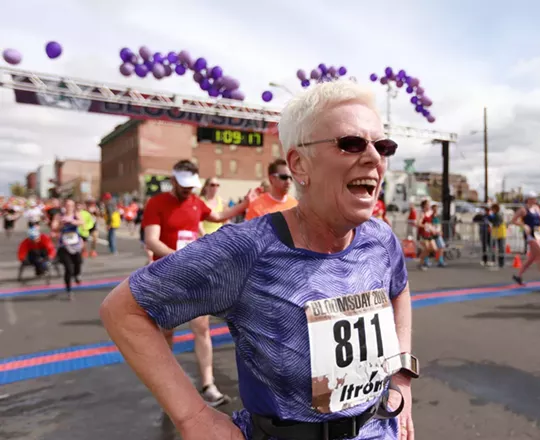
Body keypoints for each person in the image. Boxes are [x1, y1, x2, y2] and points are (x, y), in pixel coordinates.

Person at [101, 80, 416, 440]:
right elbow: (123, 310)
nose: (375, 158)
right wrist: (193, 418)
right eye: (351, 144)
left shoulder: (380, 237)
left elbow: (399, 290)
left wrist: (402, 375)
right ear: (300, 165)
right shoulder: (248, 249)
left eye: (383, 145)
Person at [140, 159, 253, 407]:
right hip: (168, 275)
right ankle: (167, 386)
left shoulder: (195, 202)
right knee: (167, 332)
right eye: (184, 186)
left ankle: (208, 384)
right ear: (173, 181)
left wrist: (246, 203)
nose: (188, 191)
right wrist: (180, 259)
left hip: (196, 277)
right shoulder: (157, 203)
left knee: (202, 329)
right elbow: (152, 240)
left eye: (191, 186)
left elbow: (219, 216)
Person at [512, 194, 540, 288]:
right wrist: (523, 225)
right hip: (530, 235)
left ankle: (518, 276)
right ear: (528, 199)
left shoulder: (536, 208)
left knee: (531, 258)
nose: (534, 200)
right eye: (532, 199)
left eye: (535, 199)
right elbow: (513, 220)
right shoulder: (523, 210)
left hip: (538, 233)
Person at [51, 199, 84, 300]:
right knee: (68, 269)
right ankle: (69, 290)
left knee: (78, 262)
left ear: (73, 206)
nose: (69, 207)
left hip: (75, 244)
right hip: (64, 246)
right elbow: (54, 227)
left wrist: (72, 221)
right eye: (67, 205)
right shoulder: (59, 216)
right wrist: (62, 224)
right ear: (64, 206)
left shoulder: (76, 214)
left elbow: (82, 222)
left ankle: (77, 275)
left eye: (71, 205)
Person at [417, 199, 437, 270]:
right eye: (427, 204)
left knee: (434, 248)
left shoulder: (430, 213)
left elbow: (431, 224)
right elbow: (418, 224)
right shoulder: (422, 214)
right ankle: (421, 263)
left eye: (429, 204)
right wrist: (425, 225)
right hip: (423, 234)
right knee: (427, 248)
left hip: (429, 234)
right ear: (424, 206)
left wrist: (433, 229)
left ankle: (422, 259)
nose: (429, 206)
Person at [488, 203, 507, 269]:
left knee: (500, 248)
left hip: (500, 233)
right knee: (497, 247)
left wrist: (490, 220)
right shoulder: (496, 215)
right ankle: (498, 262)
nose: (491, 210)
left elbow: (496, 223)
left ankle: (501, 262)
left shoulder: (498, 215)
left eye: (492, 209)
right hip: (497, 233)